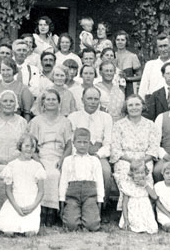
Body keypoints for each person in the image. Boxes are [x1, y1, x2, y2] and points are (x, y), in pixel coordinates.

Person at [68, 87, 113, 221]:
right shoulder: (73, 117)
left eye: (96, 99)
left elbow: (108, 143)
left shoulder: (106, 117)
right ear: (82, 100)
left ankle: (101, 208)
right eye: (89, 99)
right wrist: (80, 153)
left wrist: (98, 155)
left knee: (105, 171)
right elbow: (70, 141)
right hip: (78, 152)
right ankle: (73, 207)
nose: (93, 102)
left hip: (99, 154)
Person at [28, 89, 73, 226]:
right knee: (44, 173)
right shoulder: (36, 121)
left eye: (54, 99)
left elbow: (69, 145)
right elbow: (31, 145)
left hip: (58, 155)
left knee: (54, 173)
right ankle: (43, 209)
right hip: (41, 155)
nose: (51, 102)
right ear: (43, 102)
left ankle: (52, 210)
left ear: (59, 103)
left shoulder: (65, 121)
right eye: (48, 99)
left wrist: (63, 159)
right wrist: (37, 160)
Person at [111, 94, 159, 212]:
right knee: (124, 173)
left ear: (143, 106)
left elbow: (153, 148)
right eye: (130, 105)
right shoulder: (118, 125)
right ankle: (127, 210)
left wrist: (142, 161)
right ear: (126, 108)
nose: (134, 107)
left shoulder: (151, 125)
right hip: (124, 159)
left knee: (144, 174)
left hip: (144, 159)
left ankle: (144, 209)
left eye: (137, 104)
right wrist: (131, 160)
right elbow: (116, 148)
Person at [0, 134, 46, 236]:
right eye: (27, 146)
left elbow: (41, 191)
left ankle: (29, 226)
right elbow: (8, 191)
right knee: (8, 232)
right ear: (20, 146)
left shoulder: (38, 166)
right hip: (15, 201)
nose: (29, 149)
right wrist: (16, 207)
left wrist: (32, 206)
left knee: (30, 233)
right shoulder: (12, 165)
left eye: (32, 146)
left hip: (31, 201)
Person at [59, 128, 104, 232]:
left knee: (92, 226)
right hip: (72, 196)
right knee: (70, 225)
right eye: (79, 142)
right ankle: (74, 218)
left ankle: (88, 218)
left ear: (90, 143)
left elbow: (100, 182)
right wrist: (62, 200)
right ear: (74, 143)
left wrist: (100, 200)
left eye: (85, 142)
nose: (82, 145)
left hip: (90, 196)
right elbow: (63, 181)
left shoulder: (94, 160)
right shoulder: (68, 160)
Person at [138, 33, 170, 100]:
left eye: (165, 46)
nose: (163, 49)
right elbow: (142, 89)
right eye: (160, 46)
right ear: (157, 48)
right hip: (153, 103)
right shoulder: (150, 65)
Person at [118, 160, 158, 234]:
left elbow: (154, 197)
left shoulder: (148, 183)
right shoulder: (128, 185)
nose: (140, 175)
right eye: (137, 173)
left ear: (145, 173)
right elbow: (124, 204)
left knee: (151, 227)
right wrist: (126, 219)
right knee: (135, 224)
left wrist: (145, 185)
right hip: (132, 210)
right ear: (132, 174)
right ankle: (129, 223)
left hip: (145, 210)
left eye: (142, 173)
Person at [114, 31, 141, 97]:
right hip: (113, 90)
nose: (120, 42)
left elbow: (140, 76)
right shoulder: (111, 56)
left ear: (126, 41)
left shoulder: (132, 56)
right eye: (118, 40)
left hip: (128, 90)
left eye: (122, 40)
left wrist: (127, 78)